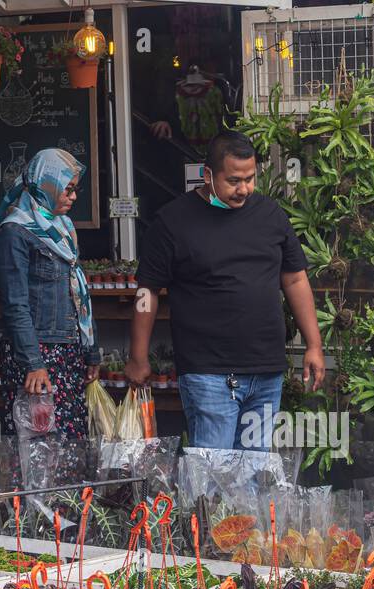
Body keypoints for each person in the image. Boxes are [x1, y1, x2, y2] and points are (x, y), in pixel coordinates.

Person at [129, 131, 325, 449]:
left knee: (254, 472)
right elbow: (146, 292)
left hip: (266, 370)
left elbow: (295, 279)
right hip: (207, 371)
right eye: (234, 180)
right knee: (213, 475)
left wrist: (313, 345)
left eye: (250, 178)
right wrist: (138, 356)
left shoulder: (270, 216)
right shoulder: (173, 222)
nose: (244, 189)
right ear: (207, 175)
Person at [0, 149, 99, 467]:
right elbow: (15, 305)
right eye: (69, 188)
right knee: (39, 448)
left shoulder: (60, 228)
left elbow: (76, 295)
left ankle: (70, 516)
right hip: (37, 357)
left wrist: (89, 352)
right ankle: (39, 517)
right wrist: (34, 364)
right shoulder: (14, 233)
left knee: (70, 448)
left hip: (65, 354)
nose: (74, 196)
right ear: (45, 184)